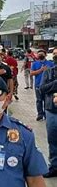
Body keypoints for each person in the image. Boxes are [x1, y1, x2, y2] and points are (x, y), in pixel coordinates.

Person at [37, 47, 57, 178]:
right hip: (52, 110)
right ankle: (54, 166)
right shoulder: (49, 71)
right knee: (53, 138)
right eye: (55, 54)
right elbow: (42, 88)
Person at [30, 49, 54, 121]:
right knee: (39, 100)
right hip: (38, 85)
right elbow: (31, 73)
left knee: (47, 100)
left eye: (42, 54)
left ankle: (47, 115)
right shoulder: (34, 63)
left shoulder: (50, 63)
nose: (40, 55)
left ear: (45, 55)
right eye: (39, 54)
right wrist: (41, 70)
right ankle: (40, 114)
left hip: (48, 86)